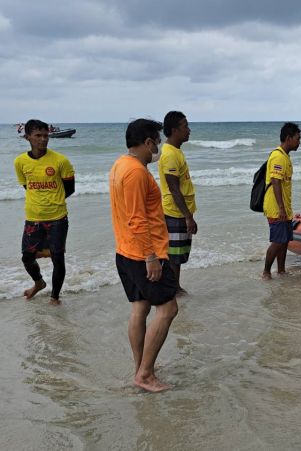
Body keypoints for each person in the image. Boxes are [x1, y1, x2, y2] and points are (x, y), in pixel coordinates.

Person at [109, 119, 179, 393]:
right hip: (142, 253)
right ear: (148, 142)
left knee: (140, 308)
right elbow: (137, 218)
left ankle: (141, 367)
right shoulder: (136, 172)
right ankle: (146, 374)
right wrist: (151, 256)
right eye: (157, 142)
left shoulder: (119, 165)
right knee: (169, 308)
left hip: (125, 250)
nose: (158, 148)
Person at [14, 119, 75, 305]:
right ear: (27, 137)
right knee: (27, 257)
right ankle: (39, 282)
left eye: (46, 135)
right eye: (38, 136)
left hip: (57, 218)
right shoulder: (20, 162)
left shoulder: (60, 160)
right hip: (33, 217)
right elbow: (27, 185)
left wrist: (52, 201)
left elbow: (70, 189)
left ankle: (55, 297)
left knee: (58, 258)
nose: (43, 139)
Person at [158, 111, 196, 295]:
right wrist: (188, 217)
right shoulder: (170, 155)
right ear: (174, 130)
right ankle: (172, 289)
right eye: (185, 126)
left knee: (179, 253)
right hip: (175, 212)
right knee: (174, 255)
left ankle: (175, 286)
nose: (189, 130)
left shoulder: (175, 151)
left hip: (181, 211)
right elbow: (174, 189)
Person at [262, 122, 301, 279]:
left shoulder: (285, 156)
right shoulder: (278, 156)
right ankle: (266, 272)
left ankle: (281, 270)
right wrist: (281, 208)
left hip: (284, 207)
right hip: (276, 208)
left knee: (284, 241)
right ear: (288, 138)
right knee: (278, 241)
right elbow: (276, 182)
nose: (299, 142)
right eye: (297, 138)